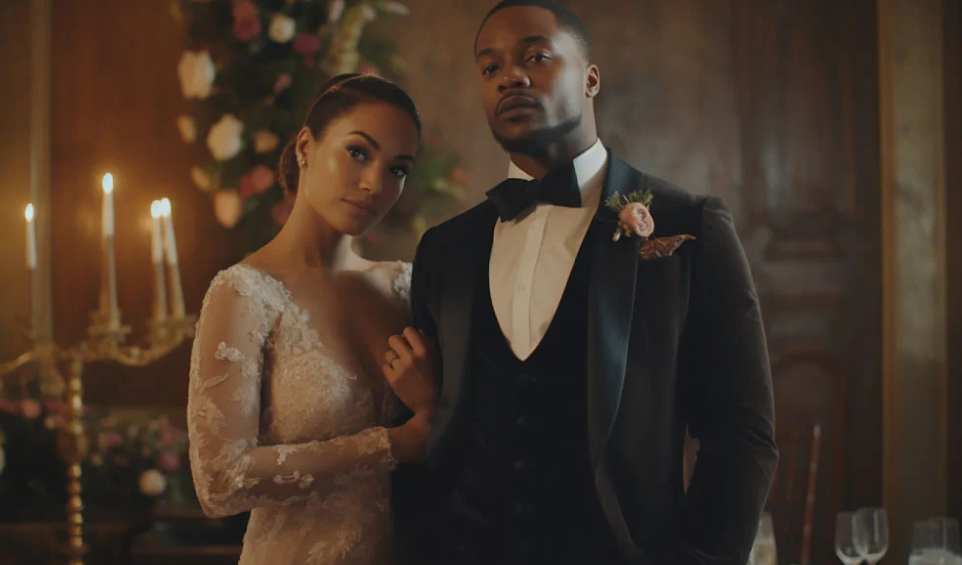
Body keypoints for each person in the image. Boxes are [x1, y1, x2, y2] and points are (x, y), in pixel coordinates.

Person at [394, 2, 778, 564]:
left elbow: (742, 434)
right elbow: (419, 432)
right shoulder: (445, 250)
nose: (511, 76)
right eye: (490, 67)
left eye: (536, 56)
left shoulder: (687, 225)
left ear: (591, 77)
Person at [187, 73, 436, 565]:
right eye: (359, 152)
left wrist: (433, 404)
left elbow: (444, 429)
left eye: (398, 169)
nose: (374, 184)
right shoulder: (245, 293)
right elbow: (219, 481)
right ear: (306, 146)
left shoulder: (406, 286)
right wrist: (390, 444)